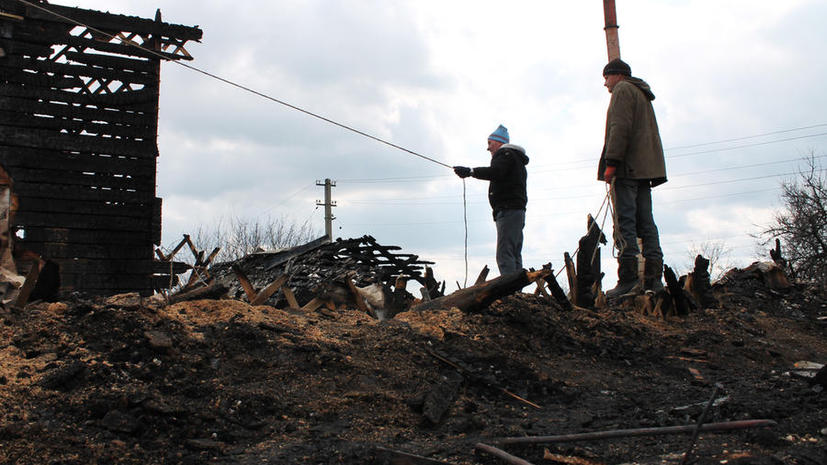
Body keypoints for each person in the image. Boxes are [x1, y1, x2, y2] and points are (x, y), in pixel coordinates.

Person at [598, 58, 667, 297]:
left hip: (627, 169)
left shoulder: (623, 90)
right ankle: (653, 280)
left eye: (606, 77)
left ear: (617, 75)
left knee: (626, 222)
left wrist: (611, 162)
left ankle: (628, 280)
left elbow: (619, 127)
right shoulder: (642, 93)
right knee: (647, 223)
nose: (605, 83)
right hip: (645, 170)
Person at [454, 125, 529, 276]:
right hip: (516, 211)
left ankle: (509, 290)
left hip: (508, 210)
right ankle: (516, 288)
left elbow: (496, 172)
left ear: (499, 143)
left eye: (490, 143)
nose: (488, 148)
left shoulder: (505, 155)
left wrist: (470, 171)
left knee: (504, 253)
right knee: (514, 251)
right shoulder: (515, 159)